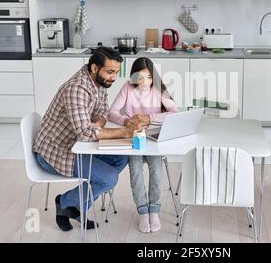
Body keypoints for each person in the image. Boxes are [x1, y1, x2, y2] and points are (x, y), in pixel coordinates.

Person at [33, 47, 140, 232]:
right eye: (110, 71)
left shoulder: (99, 84)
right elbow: (85, 133)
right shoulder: (76, 89)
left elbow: (103, 111)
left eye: (116, 72)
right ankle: (65, 202)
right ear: (94, 68)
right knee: (109, 178)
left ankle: (75, 206)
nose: (114, 77)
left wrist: (97, 125)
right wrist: (126, 133)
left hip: (78, 146)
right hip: (56, 152)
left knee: (121, 158)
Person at [109, 57, 178, 233]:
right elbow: (112, 113)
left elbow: (174, 112)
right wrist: (127, 121)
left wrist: (150, 118)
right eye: (139, 77)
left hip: (154, 138)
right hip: (135, 138)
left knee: (156, 167)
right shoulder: (128, 88)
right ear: (133, 77)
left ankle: (154, 210)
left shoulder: (159, 89)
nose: (144, 82)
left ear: (153, 77)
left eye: (148, 77)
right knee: (136, 168)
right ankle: (142, 211)